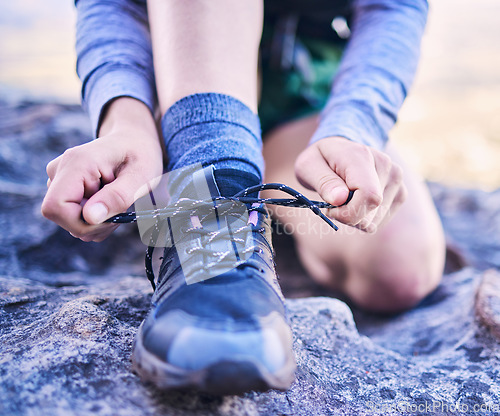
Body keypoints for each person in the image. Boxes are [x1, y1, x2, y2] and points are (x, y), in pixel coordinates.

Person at [41, 0, 446, 394]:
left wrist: (351, 128)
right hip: (181, 80)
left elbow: (394, 6)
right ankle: (211, 172)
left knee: (398, 268)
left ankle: (239, 172)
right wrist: (125, 123)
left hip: (298, 92)